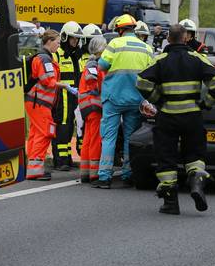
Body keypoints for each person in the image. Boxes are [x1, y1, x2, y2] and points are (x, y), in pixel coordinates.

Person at [136, 24, 215, 214]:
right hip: (192, 115)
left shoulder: (160, 60)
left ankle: (171, 203)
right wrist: (206, 104)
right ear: (185, 38)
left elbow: (141, 82)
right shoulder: (197, 58)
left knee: (166, 157)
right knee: (194, 154)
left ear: (168, 39)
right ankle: (196, 185)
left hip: (167, 116)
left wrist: (157, 99)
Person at [93, 14, 155, 189]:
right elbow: (151, 74)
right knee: (130, 137)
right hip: (136, 99)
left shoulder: (114, 44)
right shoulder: (146, 48)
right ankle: (128, 175)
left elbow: (102, 66)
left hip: (113, 98)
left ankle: (104, 177)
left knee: (109, 137)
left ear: (120, 30)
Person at [25, 30, 73, 180]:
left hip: (35, 102)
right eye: (57, 42)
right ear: (49, 41)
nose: (58, 46)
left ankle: (32, 168)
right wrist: (64, 86)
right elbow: (48, 80)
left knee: (35, 133)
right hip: (39, 103)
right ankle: (35, 170)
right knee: (46, 132)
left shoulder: (43, 57)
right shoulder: (44, 59)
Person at [51, 21, 83, 171]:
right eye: (72, 38)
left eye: (77, 38)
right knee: (63, 126)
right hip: (62, 96)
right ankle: (60, 160)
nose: (75, 41)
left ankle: (68, 158)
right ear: (65, 37)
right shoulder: (57, 54)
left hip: (76, 96)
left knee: (71, 127)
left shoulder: (78, 55)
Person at [78, 36, 107, 183]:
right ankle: (94, 173)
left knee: (88, 138)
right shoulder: (94, 63)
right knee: (95, 139)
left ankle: (85, 172)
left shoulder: (91, 62)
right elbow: (92, 80)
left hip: (87, 105)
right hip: (93, 104)